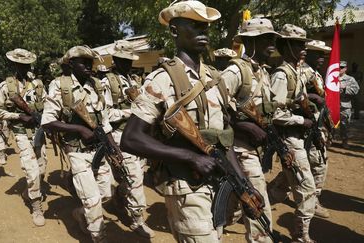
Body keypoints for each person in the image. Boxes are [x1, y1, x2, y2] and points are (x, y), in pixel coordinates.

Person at [120, 1, 263, 242]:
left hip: (217, 180)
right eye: (195, 26)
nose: (203, 33)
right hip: (185, 185)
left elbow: (224, 140)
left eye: (205, 28)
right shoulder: (162, 80)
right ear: (174, 31)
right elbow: (131, 138)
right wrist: (190, 157)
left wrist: (243, 184)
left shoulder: (215, 80)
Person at [42, 45, 114, 242]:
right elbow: (47, 121)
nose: (89, 65)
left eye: (90, 61)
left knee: (106, 194)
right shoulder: (60, 86)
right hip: (77, 151)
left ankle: (81, 213)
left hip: (99, 149)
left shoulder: (97, 85)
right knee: (92, 200)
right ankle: (99, 236)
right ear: (71, 63)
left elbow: (105, 122)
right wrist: (79, 129)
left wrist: (114, 148)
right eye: (84, 61)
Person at [220, 18, 280, 243]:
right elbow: (216, 112)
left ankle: (215, 226)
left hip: (253, 148)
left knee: (235, 203)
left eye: (272, 39)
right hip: (238, 148)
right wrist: (243, 126)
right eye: (266, 40)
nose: (272, 45)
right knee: (258, 205)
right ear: (250, 42)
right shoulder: (236, 72)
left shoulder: (262, 72)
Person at [101, 40, 155, 238]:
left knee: (134, 175)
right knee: (134, 178)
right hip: (120, 134)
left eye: (129, 60)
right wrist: (130, 112)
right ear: (115, 59)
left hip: (138, 135)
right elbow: (105, 114)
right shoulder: (107, 82)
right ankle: (137, 218)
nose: (127, 64)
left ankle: (119, 196)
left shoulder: (133, 80)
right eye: (123, 60)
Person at [270, 24, 317, 243]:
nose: (303, 48)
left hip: (298, 136)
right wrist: (302, 120)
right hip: (288, 137)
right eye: (298, 44)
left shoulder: (295, 71)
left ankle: (252, 205)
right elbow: (274, 113)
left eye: (304, 43)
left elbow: (298, 101)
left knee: (287, 183)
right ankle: (301, 235)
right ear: (286, 45)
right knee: (307, 187)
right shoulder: (282, 74)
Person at [0, 48, 47, 226]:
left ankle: (27, 192)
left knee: (42, 169)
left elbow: (46, 105)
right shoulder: (5, 86)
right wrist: (18, 116)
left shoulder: (38, 84)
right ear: (14, 64)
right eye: (20, 64)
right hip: (22, 132)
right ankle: (36, 205)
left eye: (27, 64)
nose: (24, 67)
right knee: (31, 171)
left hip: (39, 131)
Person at [302, 40, 332, 218]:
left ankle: (312, 199)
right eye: (318, 54)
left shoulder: (315, 73)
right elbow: (296, 94)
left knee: (313, 163)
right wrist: (312, 96)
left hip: (317, 124)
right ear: (309, 54)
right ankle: (313, 201)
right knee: (316, 163)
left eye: (323, 55)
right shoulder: (304, 72)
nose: (322, 58)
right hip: (307, 125)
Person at [339, 61, 360, 148]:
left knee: (345, 125)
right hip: (332, 105)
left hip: (345, 105)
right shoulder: (331, 77)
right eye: (339, 67)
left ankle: (344, 141)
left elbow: (356, 90)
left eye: (342, 67)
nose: (340, 69)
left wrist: (345, 89)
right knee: (330, 124)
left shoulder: (350, 79)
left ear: (345, 68)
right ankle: (329, 140)